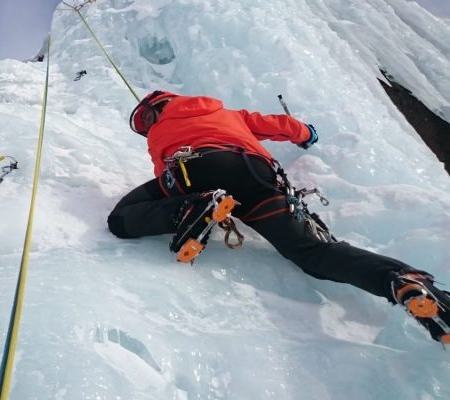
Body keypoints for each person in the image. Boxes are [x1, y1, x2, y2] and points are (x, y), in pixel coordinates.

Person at [108, 90, 450, 345]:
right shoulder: (228, 113)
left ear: (159, 107)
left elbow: (163, 173)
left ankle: (193, 207)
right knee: (312, 254)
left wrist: (183, 200)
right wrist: (306, 134)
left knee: (121, 218)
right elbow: (276, 125)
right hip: (256, 175)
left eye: (146, 119)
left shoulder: (159, 132)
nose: (147, 127)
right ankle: (404, 283)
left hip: (193, 169)